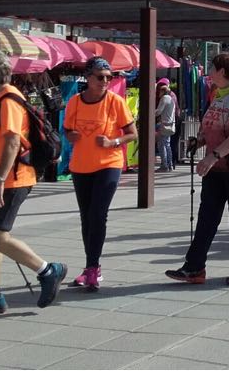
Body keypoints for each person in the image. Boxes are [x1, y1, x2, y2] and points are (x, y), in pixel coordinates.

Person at [0, 49, 66, 316]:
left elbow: (13, 142)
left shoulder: (8, 101)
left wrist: (0, 182)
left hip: (12, 180)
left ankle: (47, 270)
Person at [166, 53, 229, 286]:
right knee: (206, 218)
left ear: (223, 72)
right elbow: (211, 127)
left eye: (212, 67)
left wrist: (213, 156)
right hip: (216, 169)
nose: (209, 70)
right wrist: (200, 141)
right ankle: (194, 267)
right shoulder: (216, 94)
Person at [63, 57, 138, 291]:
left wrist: (113, 141)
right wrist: (70, 136)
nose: (105, 81)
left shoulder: (115, 101)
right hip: (81, 166)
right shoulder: (75, 101)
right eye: (100, 76)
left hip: (109, 163)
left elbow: (132, 133)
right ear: (88, 77)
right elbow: (67, 129)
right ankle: (89, 267)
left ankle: (93, 268)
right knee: (86, 217)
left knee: (97, 214)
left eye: (109, 77)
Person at [155, 83, 176, 171]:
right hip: (170, 125)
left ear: (163, 91)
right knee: (167, 145)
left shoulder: (164, 98)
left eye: (160, 91)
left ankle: (164, 165)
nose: (158, 93)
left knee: (161, 145)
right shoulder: (171, 99)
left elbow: (158, 111)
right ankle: (169, 164)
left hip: (164, 125)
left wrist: (149, 113)